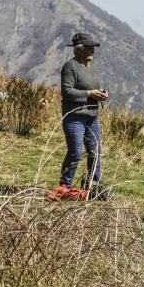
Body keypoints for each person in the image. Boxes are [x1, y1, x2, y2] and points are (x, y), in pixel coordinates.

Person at [59, 32, 109, 199]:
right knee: (76, 152)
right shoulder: (70, 67)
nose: (93, 51)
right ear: (78, 49)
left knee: (95, 151)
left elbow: (93, 87)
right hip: (75, 117)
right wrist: (89, 94)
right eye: (89, 48)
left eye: (93, 47)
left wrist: (101, 93)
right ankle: (65, 187)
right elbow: (67, 92)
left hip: (92, 116)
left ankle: (93, 186)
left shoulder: (91, 68)